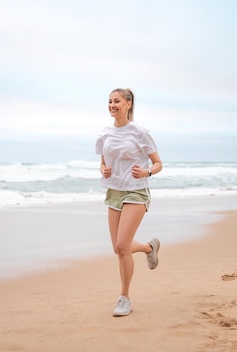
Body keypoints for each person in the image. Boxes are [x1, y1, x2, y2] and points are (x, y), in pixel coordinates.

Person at [95, 88, 163, 317]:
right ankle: (149, 247)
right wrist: (103, 170)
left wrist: (147, 172)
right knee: (118, 247)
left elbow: (158, 163)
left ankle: (124, 298)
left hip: (136, 191)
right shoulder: (104, 133)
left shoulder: (140, 132)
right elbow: (103, 162)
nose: (112, 105)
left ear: (128, 104)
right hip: (114, 191)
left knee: (123, 246)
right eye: (110, 101)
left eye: (117, 101)